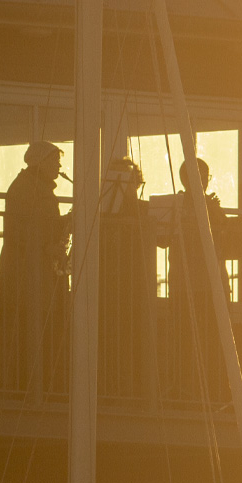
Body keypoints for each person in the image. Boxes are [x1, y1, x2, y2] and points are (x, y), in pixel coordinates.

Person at [0, 141, 71, 398]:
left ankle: (32, 387)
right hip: (26, 272)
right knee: (28, 330)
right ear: (40, 162)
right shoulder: (29, 188)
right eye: (55, 161)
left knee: (33, 330)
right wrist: (58, 234)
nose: (60, 167)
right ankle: (27, 389)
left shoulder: (33, 186)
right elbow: (28, 230)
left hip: (33, 270)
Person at [156, 158, 227, 404]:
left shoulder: (212, 206)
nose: (203, 181)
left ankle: (209, 392)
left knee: (212, 339)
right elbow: (162, 239)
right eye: (198, 176)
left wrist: (214, 211)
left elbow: (226, 239)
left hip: (209, 284)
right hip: (185, 281)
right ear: (185, 179)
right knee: (183, 338)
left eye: (206, 176)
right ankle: (184, 390)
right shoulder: (176, 205)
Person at [99, 157, 158, 399]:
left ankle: (132, 387)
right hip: (110, 280)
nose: (132, 187)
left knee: (133, 334)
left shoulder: (143, 210)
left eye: (134, 181)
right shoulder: (103, 210)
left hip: (134, 280)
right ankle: (110, 385)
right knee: (110, 333)